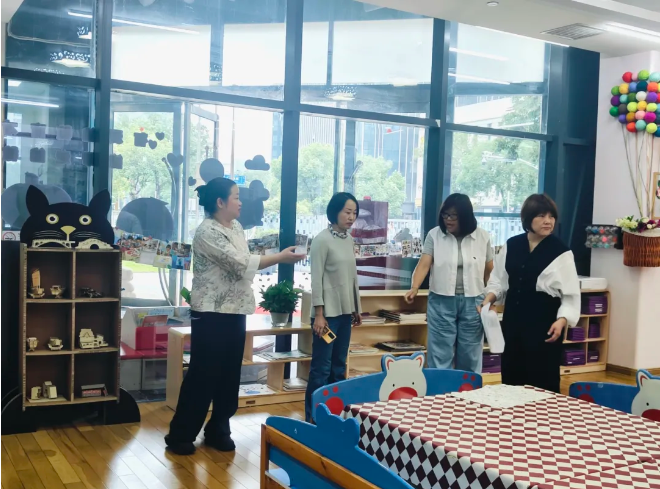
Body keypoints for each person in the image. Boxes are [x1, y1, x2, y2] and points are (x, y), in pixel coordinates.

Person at [166, 177, 305, 455]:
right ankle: (181, 434)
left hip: (236, 309)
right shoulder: (207, 231)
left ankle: (219, 429)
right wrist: (280, 257)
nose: (241, 202)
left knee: (230, 373)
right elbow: (241, 263)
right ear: (220, 202)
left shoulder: (237, 227)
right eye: (236, 197)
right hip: (210, 312)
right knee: (203, 374)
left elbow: (245, 260)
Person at [479, 194, 580, 393]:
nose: (548, 221)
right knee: (512, 374)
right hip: (513, 321)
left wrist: (562, 320)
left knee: (542, 377)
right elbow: (498, 280)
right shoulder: (512, 245)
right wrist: (489, 299)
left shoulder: (561, 252)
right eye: (541, 216)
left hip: (544, 323)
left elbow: (571, 294)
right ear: (528, 218)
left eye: (551, 216)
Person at [405, 193, 493, 373]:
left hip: (474, 301)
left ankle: (468, 389)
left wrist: (491, 298)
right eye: (445, 215)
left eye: (453, 216)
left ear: (465, 216)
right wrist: (414, 287)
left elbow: (489, 271)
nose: (448, 220)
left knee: (470, 353)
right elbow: (424, 264)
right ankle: (440, 389)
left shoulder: (482, 236)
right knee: (440, 353)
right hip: (441, 300)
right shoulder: (435, 235)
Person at [304, 193, 362, 422]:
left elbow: (352, 277)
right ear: (335, 211)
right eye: (347, 212)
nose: (351, 217)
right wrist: (319, 314)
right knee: (321, 368)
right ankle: (313, 418)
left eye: (354, 213)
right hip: (326, 317)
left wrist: (356, 307)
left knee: (339, 366)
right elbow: (316, 279)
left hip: (345, 314)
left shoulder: (349, 240)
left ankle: (334, 417)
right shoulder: (321, 240)